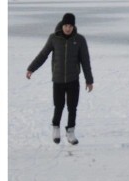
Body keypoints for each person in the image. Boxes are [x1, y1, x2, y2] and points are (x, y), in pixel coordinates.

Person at [26, 13, 94, 145]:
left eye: (70, 26)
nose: (68, 28)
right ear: (62, 25)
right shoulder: (54, 38)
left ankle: (71, 132)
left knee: (72, 107)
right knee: (59, 106)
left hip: (73, 80)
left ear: (73, 26)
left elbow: (85, 61)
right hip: (58, 80)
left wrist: (89, 80)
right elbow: (43, 55)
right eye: (66, 25)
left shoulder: (79, 40)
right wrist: (31, 68)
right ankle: (55, 128)